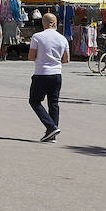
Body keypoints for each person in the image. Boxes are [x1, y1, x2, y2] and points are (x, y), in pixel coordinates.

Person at [27, 12, 70, 142]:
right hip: (57, 74)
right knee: (54, 104)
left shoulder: (37, 37)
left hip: (41, 73)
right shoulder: (63, 38)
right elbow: (66, 59)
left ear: (43, 23)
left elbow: (31, 56)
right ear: (55, 23)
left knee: (34, 101)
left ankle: (50, 127)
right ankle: (52, 135)